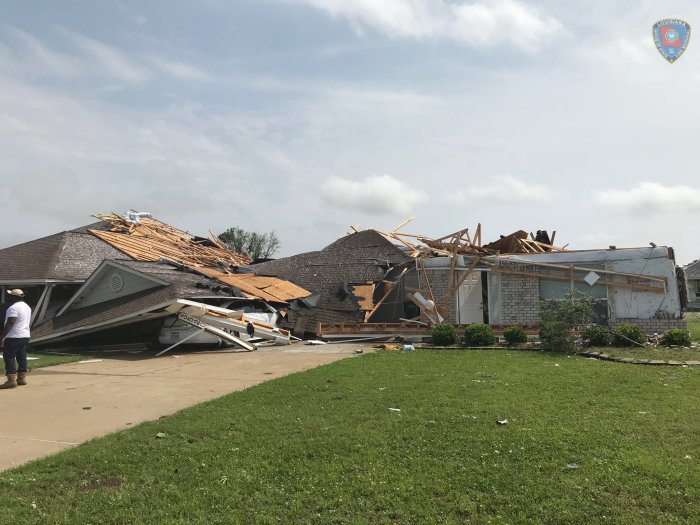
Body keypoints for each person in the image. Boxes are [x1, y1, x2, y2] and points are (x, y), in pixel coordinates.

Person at [0, 289, 31, 389]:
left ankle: (11, 380)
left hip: (14, 336)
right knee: (21, 356)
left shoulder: (13, 308)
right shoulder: (27, 307)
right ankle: (21, 378)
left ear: (13, 297)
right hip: (25, 334)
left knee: (9, 356)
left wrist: (2, 336)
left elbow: (11, 322)